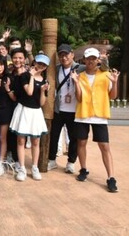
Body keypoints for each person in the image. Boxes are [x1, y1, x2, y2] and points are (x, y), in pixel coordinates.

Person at [71, 48, 120, 193]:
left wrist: (115, 82)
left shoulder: (106, 75)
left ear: (98, 60)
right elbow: (79, 98)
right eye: (88, 58)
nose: (91, 61)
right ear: (84, 60)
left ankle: (111, 177)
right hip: (83, 113)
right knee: (81, 142)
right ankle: (83, 169)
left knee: (104, 146)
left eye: (94, 58)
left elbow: (112, 96)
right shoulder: (79, 76)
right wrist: (75, 82)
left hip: (100, 115)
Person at [9, 54, 50, 182]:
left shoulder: (45, 80)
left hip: (36, 112)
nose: (40, 66)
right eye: (39, 63)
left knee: (35, 141)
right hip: (24, 110)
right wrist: (32, 76)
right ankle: (21, 168)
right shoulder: (25, 76)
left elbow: (42, 103)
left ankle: (34, 167)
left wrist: (43, 90)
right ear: (34, 62)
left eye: (43, 65)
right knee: (21, 141)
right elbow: (29, 92)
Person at [48, 44, 83, 174]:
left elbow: (96, 69)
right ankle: (51, 160)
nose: (64, 57)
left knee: (74, 137)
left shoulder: (81, 68)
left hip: (74, 109)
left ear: (72, 54)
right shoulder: (56, 69)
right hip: (59, 109)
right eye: (61, 55)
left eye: (66, 54)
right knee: (54, 135)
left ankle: (71, 162)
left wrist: (104, 60)